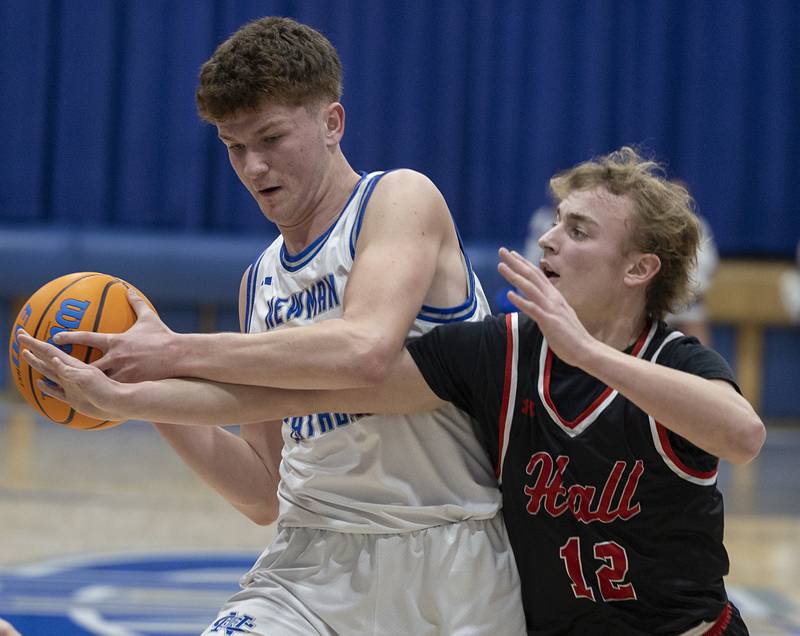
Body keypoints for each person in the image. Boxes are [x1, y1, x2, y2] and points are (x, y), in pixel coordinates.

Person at [23, 147, 765, 634]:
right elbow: (295, 396)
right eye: (553, 224)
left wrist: (589, 355)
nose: (547, 242)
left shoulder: (676, 362)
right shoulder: (500, 351)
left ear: (638, 269)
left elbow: (742, 436)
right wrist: (133, 396)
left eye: (576, 230)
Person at [31, 16, 525, 636]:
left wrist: (173, 353)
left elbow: (363, 350)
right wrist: (130, 395)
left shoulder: (398, 200)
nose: (254, 166)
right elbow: (263, 491)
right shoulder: (257, 281)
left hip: (449, 558)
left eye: (270, 138)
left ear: (332, 123)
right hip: (309, 567)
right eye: (234, 147)